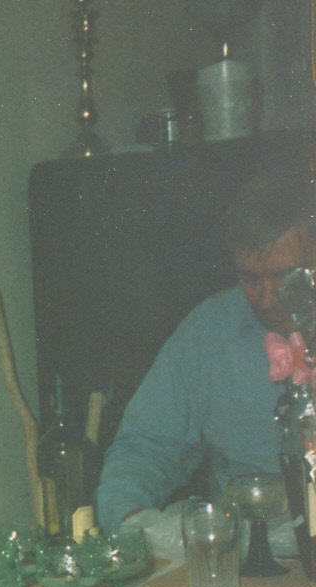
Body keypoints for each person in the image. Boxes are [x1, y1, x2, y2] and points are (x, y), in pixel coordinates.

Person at [96, 164, 316, 529]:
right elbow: (145, 447)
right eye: (250, 278)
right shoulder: (210, 332)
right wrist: (132, 520)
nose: (266, 300)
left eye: (283, 277)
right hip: (250, 553)